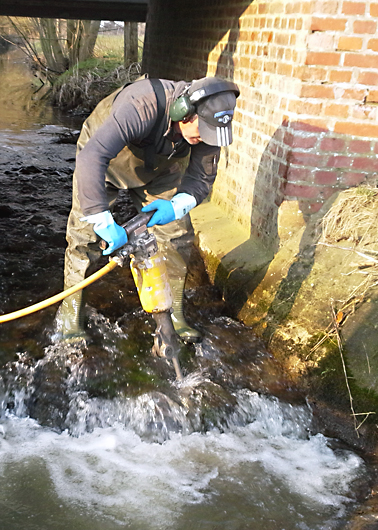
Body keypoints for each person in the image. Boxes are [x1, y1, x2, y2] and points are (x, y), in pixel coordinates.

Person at [56, 75, 240, 342]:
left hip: (159, 169)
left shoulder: (210, 130)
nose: (205, 140)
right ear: (184, 114)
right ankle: (71, 316)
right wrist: (103, 221)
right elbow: (92, 157)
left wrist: (177, 206)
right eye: (202, 133)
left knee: (177, 235)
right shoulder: (140, 105)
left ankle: (175, 313)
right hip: (102, 162)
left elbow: (201, 178)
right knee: (85, 238)